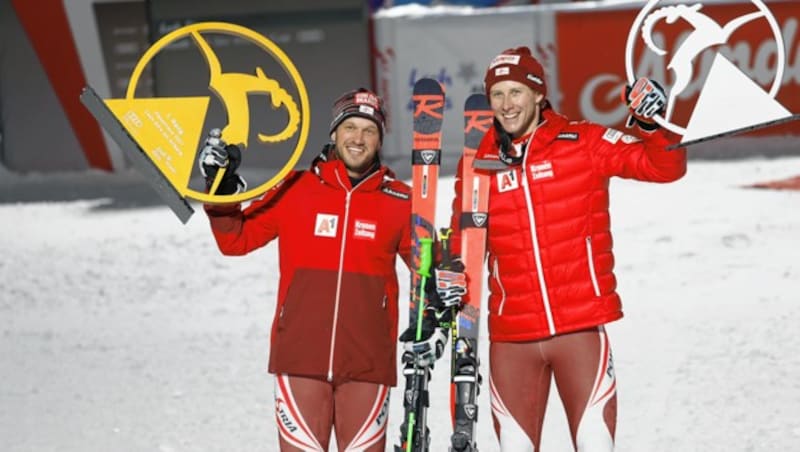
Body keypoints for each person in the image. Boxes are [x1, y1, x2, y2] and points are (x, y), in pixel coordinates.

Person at [446, 47, 687, 451]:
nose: (507, 105)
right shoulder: (477, 162)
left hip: (580, 331)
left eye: (517, 92)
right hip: (511, 339)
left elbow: (664, 167)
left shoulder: (584, 141)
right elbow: (464, 242)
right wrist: (448, 270)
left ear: (539, 95)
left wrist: (651, 123)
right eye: (498, 94)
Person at [198, 87, 463, 451]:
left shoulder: (399, 201)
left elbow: (426, 267)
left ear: (380, 139)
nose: (358, 138)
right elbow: (235, 240)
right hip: (299, 358)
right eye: (350, 127)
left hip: (368, 364)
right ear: (334, 133)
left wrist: (444, 275)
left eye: (369, 130)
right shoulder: (295, 188)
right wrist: (222, 189)